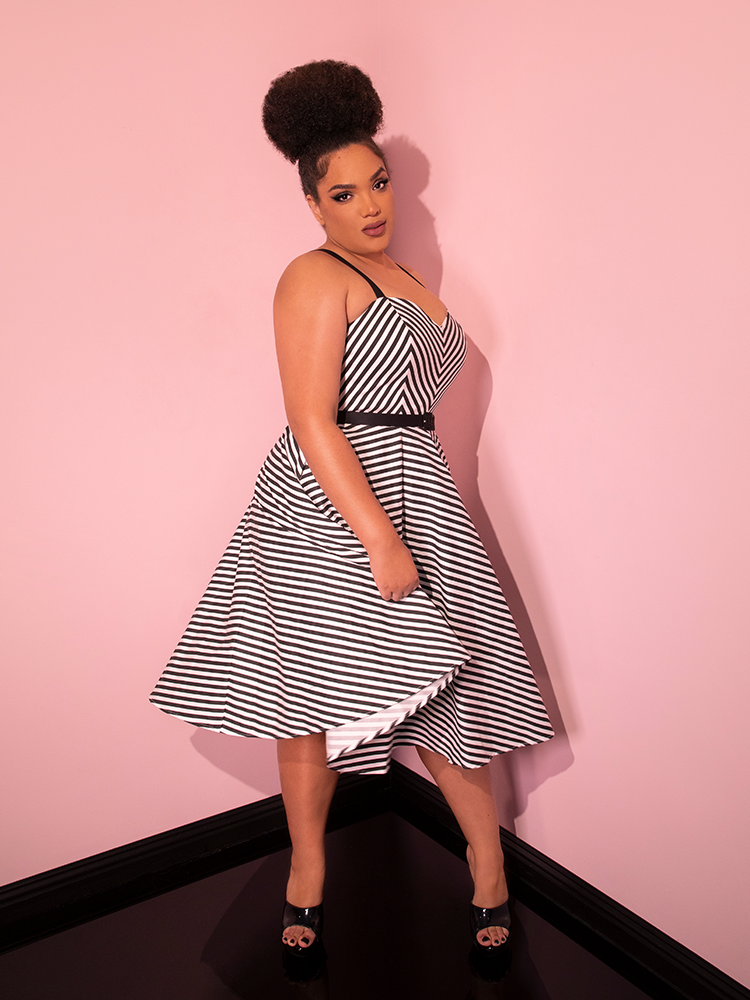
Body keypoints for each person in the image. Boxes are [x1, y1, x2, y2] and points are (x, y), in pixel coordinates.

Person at [150, 60, 553, 964]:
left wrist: (421, 516)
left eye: (379, 182)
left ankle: (488, 865)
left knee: (455, 687)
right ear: (313, 204)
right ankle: (306, 874)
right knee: (305, 693)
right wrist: (377, 537)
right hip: (332, 504)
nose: (371, 205)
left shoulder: (405, 274)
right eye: (344, 193)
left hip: (423, 490)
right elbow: (310, 418)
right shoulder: (311, 275)